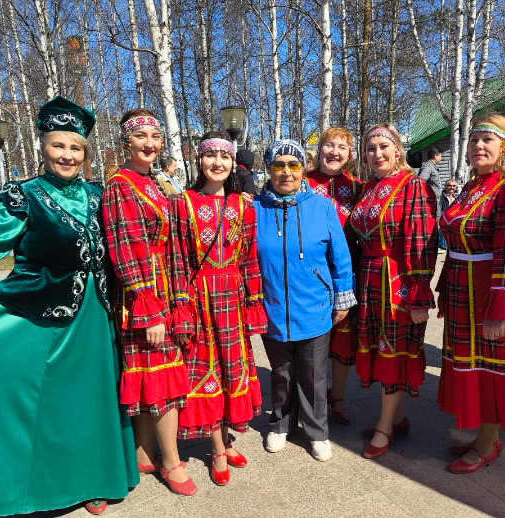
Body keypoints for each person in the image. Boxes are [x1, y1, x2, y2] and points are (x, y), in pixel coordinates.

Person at [0, 96, 139, 516]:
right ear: (43, 146)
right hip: (38, 317)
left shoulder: (99, 195)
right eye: (59, 145)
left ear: (85, 153)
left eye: (75, 148)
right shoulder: (24, 196)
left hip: (95, 317)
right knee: (48, 403)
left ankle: (96, 477)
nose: (67, 155)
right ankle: (47, 483)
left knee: (91, 401)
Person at [103, 109, 196, 496]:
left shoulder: (153, 182)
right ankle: (171, 462)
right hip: (142, 292)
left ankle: (144, 452)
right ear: (126, 141)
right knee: (162, 375)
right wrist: (150, 307)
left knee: (147, 375)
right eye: (141, 136)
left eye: (155, 137)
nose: (150, 144)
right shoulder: (120, 185)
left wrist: (176, 298)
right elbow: (125, 249)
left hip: (161, 284)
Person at [168, 131, 266, 486]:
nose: (218, 163)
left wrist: (254, 301)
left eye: (224, 157)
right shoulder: (183, 203)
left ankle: (226, 438)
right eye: (211, 156)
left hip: (233, 299)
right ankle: (217, 448)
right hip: (201, 298)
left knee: (231, 370)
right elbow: (177, 262)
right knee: (208, 370)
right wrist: (181, 307)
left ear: (232, 162)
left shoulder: (243, 206)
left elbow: (250, 259)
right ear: (199, 160)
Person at [437, 113, 505, 473]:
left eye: (487, 140)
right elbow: (455, 242)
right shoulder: (471, 187)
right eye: (474, 139)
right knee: (473, 367)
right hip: (462, 291)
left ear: (504, 148)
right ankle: (485, 437)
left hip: (491, 292)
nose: (478, 145)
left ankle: (488, 444)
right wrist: (445, 288)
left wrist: (498, 311)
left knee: (491, 370)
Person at [255, 139, 355, 461]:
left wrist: (343, 298)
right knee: (281, 372)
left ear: (302, 169)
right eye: (278, 165)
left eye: (293, 165)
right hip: (272, 307)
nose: (286, 172)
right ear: (269, 170)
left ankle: (317, 431)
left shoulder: (322, 207)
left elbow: (340, 256)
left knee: (313, 374)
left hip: (314, 307)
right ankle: (281, 423)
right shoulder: (254, 209)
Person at [350, 124, 438, 459]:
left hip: (397, 282)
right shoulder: (368, 188)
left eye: (383, 146)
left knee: (394, 351)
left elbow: (422, 239)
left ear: (397, 150)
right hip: (369, 279)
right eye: (370, 148)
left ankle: (385, 426)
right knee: (379, 349)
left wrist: (419, 291)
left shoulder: (412, 186)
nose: (377, 154)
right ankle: (397, 418)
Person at [305, 126, 363, 425]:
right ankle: (310, 401)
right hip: (309, 277)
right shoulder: (302, 182)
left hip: (345, 275)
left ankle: (337, 397)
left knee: (342, 339)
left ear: (349, 154)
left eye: (342, 147)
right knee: (312, 341)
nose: (334, 152)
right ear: (319, 150)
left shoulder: (357, 188)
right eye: (329, 145)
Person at [418, 146, 443, 212]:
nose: (441, 158)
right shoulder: (428, 167)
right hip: (430, 202)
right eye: (440, 156)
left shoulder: (432, 167)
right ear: (435, 156)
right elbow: (420, 181)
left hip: (435, 201)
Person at [438, 179, 458, 250]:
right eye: (449, 185)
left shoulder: (457, 197)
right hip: (444, 221)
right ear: (445, 186)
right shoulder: (440, 196)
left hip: (454, 221)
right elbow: (439, 209)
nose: (452, 187)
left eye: (454, 186)